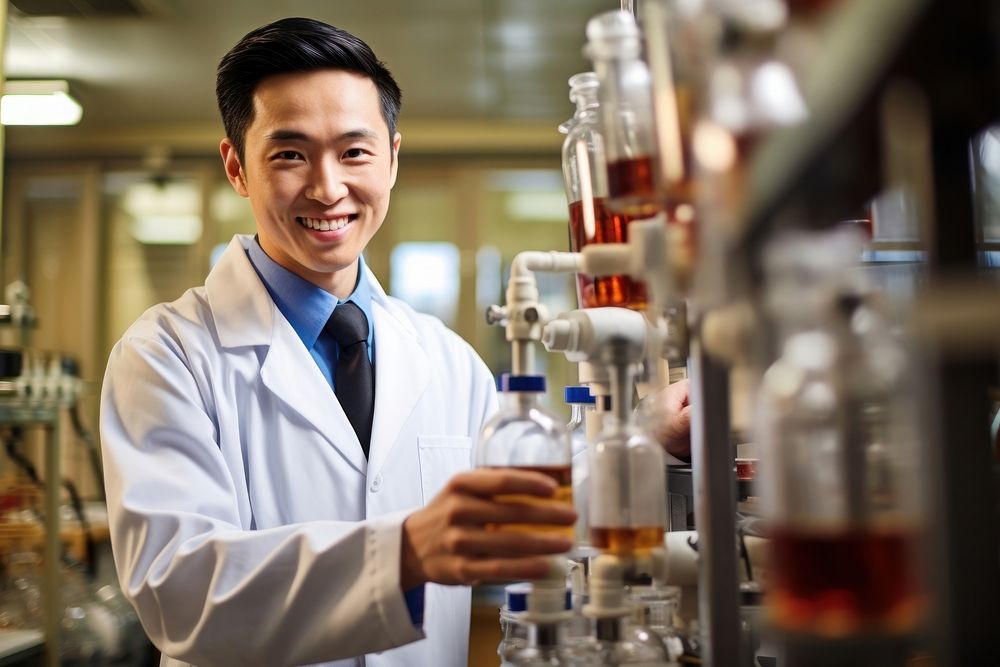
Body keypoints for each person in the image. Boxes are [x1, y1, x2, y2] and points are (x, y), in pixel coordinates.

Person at [100, 16, 691, 667]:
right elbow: (178, 590)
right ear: (237, 167)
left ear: (392, 158)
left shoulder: (442, 357)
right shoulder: (166, 355)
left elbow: (533, 496)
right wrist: (407, 550)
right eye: (290, 154)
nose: (328, 188)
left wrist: (648, 431)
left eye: (354, 151)